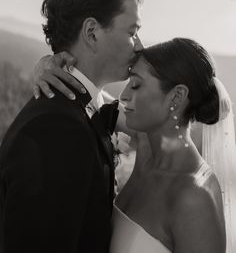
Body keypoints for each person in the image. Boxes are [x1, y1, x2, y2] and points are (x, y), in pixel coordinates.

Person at [33, 38, 236, 253]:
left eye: (136, 85)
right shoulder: (148, 142)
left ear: (177, 96)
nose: (124, 95)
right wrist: (47, 66)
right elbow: (92, 97)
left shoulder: (195, 198)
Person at [0, 0, 143, 253]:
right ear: (91, 33)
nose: (139, 46)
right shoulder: (57, 128)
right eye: (132, 31)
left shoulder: (82, 109)